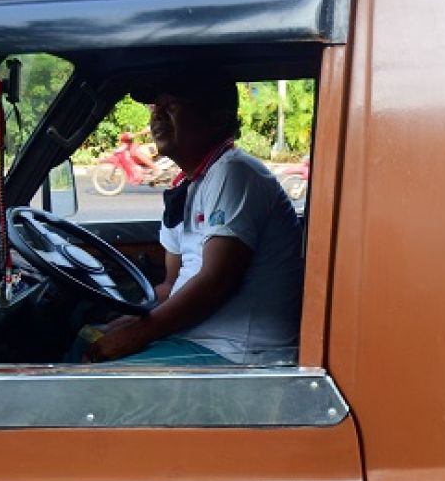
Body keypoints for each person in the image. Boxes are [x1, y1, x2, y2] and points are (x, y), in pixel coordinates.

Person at [81, 68, 304, 366]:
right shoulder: (187, 185)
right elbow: (171, 286)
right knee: (84, 340)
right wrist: (122, 323)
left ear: (218, 119)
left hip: (240, 352)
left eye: (172, 106)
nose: (157, 116)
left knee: (87, 374)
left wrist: (135, 335)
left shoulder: (235, 172)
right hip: (195, 337)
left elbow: (216, 282)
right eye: (155, 107)